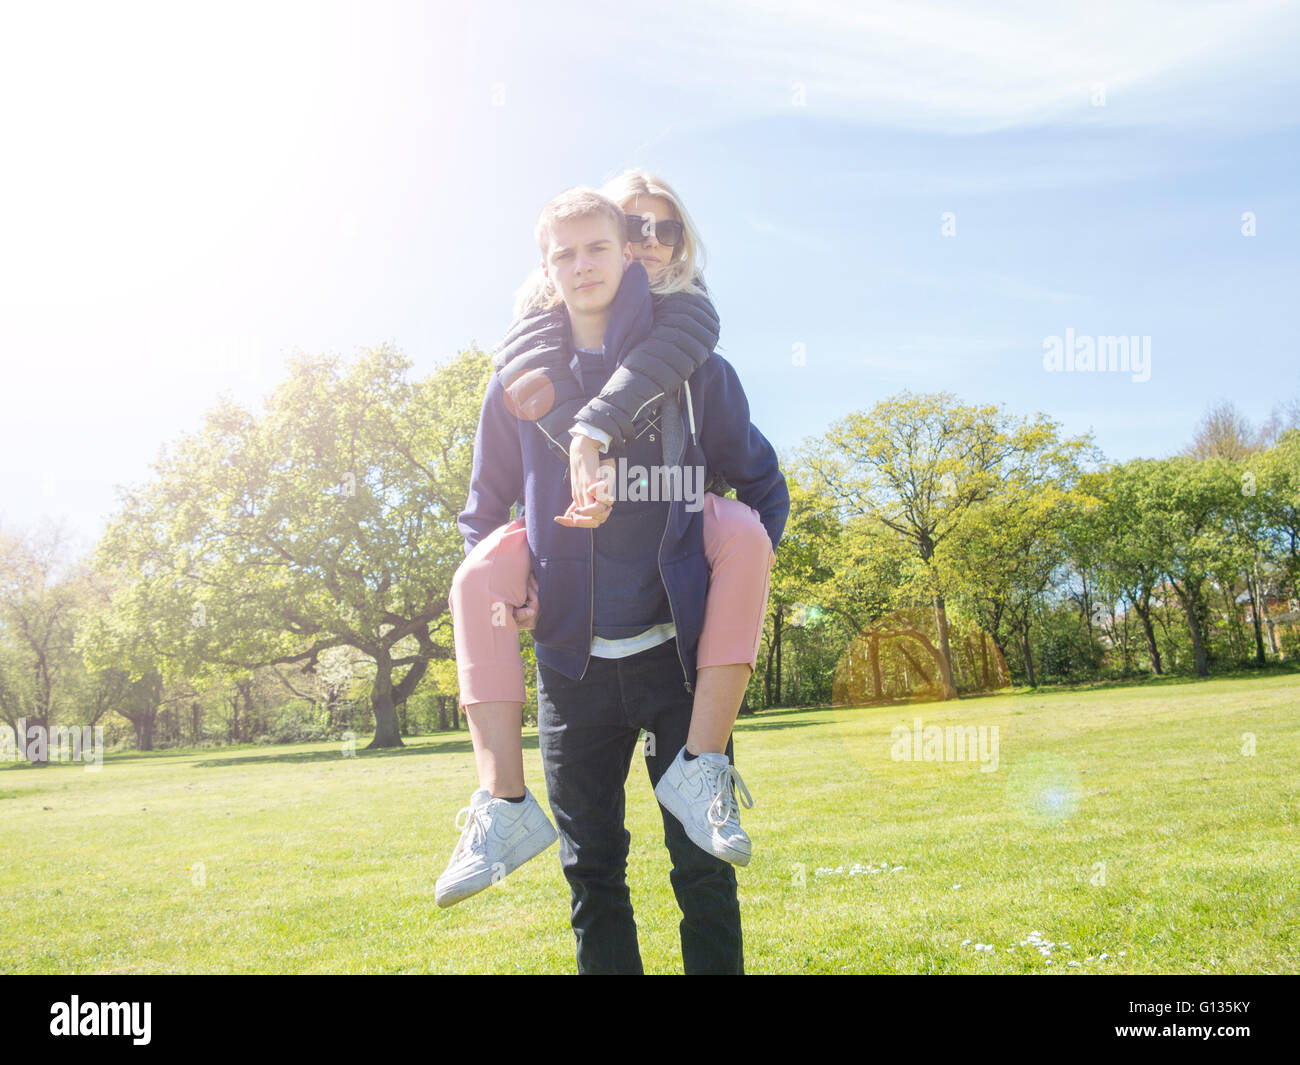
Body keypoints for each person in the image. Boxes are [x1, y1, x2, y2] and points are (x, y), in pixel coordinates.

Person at [456, 185, 789, 973]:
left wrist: (731, 588)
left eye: (605, 246)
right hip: (571, 667)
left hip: (676, 660)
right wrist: (514, 593)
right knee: (591, 872)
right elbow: (481, 513)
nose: (590, 262)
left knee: (703, 870)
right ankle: (498, 807)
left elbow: (763, 486)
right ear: (546, 266)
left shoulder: (698, 371)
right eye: (567, 252)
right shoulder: (519, 380)